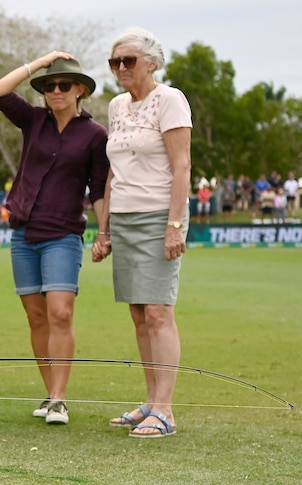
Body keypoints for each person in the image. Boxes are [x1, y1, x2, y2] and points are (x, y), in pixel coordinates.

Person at [0, 53, 109, 425]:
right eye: (49, 86)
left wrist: (104, 233)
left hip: (63, 234)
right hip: (24, 232)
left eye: (63, 85)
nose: (55, 91)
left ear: (80, 91)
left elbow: (99, 189)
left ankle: (60, 397)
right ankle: (49, 393)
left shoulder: (95, 135)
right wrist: (43, 61)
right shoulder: (33, 120)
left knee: (60, 312)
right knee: (36, 316)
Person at [92, 27, 192, 438]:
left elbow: (181, 166)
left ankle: (165, 410)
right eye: (114, 61)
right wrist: (104, 229)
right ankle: (150, 402)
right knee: (138, 312)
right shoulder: (116, 106)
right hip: (125, 217)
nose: (120, 68)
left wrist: (174, 224)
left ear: (152, 63)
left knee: (158, 311)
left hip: (158, 215)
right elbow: (114, 169)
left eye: (128, 61)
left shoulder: (170, 100)